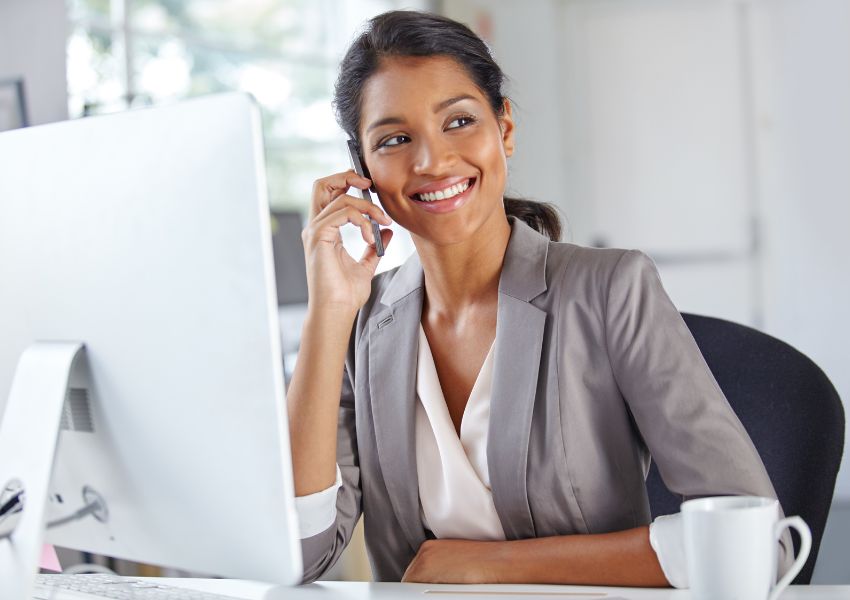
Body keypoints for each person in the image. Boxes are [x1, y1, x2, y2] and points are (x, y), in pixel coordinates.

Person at [286, 9, 792, 586]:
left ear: (504, 130)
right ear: (363, 170)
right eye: (395, 139)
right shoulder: (362, 326)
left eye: (458, 121)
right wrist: (328, 311)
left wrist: (490, 568)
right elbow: (303, 554)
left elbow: (759, 545)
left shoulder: (610, 292)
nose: (431, 161)